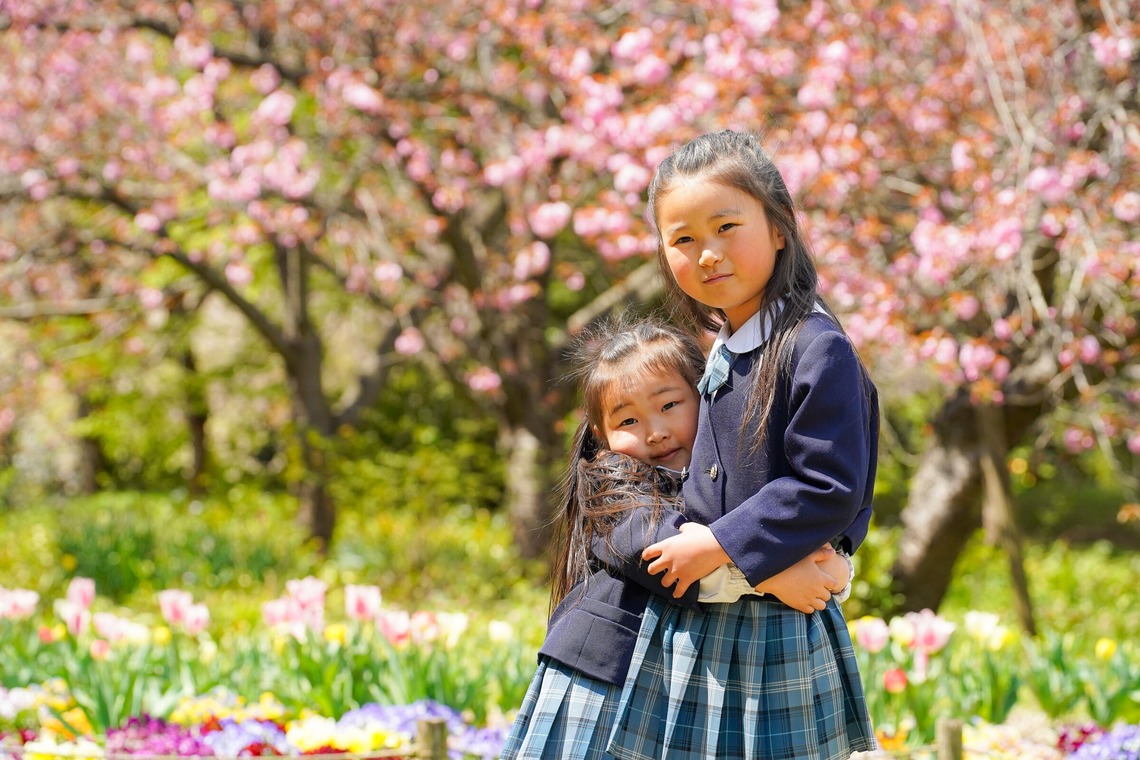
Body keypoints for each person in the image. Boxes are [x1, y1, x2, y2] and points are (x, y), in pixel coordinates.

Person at [606, 129, 879, 760]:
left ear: (780, 228)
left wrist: (725, 543)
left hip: (771, 631)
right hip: (716, 614)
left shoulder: (814, 345)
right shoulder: (723, 348)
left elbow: (831, 486)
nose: (707, 253)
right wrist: (758, 561)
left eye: (726, 226)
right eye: (683, 240)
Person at [500, 315, 855, 760]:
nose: (655, 431)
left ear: (706, 399)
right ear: (600, 433)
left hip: (677, 680)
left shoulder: (724, 477)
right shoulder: (611, 485)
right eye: (628, 419)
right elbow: (666, 554)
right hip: (607, 678)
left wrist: (838, 568)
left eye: (669, 405)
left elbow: (795, 528)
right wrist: (768, 576)